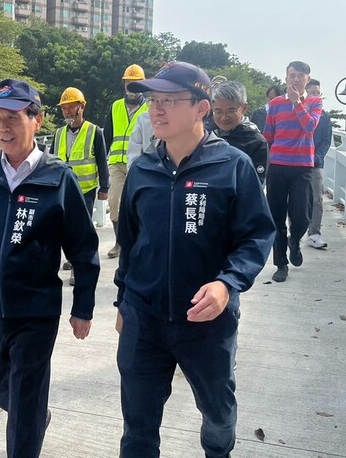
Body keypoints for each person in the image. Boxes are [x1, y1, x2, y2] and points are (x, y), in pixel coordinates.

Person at [114, 61, 275, 457]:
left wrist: (227, 283)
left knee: (217, 417)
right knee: (137, 428)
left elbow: (256, 235)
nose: (157, 110)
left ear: (202, 108)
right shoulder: (143, 169)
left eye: (170, 100)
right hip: (145, 319)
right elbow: (130, 244)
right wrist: (123, 301)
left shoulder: (232, 166)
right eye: (154, 100)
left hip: (206, 322)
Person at [0, 79, 100, 458]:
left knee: (26, 391)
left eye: (13, 117)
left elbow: (83, 248)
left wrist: (83, 307)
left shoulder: (57, 178)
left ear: (37, 120)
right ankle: (33, 415)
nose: (3, 127)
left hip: (36, 309)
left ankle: (28, 426)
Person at [263, 61, 322, 282]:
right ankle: (281, 265)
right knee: (276, 217)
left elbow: (309, 126)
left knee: (301, 215)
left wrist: (298, 103)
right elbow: (268, 135)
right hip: (278, 166)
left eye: (300, 76)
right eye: (291, 75)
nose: (295, 79)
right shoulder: (276, 104)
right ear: (286, 78)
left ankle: (295, 241)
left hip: (302, 168)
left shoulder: (315, 102)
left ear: (308, 78)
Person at [52, 87, 109, 284]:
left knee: (80, 231)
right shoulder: (58, 134)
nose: (66, 112)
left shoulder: (94, 131)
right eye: (64, 108)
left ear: (81, 107)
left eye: (70, 107)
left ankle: (78, 267)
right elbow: (50, 162)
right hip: (60, 190)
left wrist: (104, 187)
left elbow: (102, 160)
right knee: (62, 229)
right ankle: (72, 259)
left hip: (85, 190)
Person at [103, 64, 149, 259]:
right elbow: (107, 136)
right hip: (117, 163)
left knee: (140, 204)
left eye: (136, 84)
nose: (131, 88)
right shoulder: (115, 107)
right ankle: (119, 242)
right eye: (129, 84)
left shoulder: (150, 108)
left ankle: (140, 239)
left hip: (141, 164)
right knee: (115, 203)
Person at [210, 81, 269, 186]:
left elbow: (255, 185)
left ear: (244, 108)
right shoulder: (208, 136)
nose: (224, 117)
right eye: (218, 111)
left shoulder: (255, 141)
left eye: (231, 111)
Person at [304, 79, 333, 249]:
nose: (315, 96)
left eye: (317, 93)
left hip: (315, 163)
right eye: (311, 93)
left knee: (317, 199)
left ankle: (314, 233)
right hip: (297, 161)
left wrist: (316, 156)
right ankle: (296, 230)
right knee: (296, 199)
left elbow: (326, 140)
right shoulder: (297, 112)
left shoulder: (324, 116)